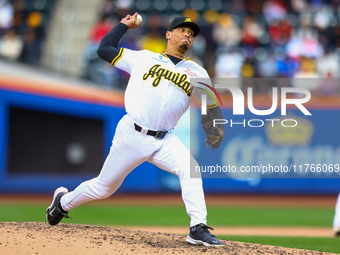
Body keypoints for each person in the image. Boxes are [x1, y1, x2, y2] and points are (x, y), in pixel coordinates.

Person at [46, 13, 225, 247]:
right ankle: (62, 203)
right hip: (133, 134)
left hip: (165, 139)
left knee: (191, 169)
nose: (187, 36)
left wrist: (215, 125)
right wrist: (123, 26)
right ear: (168, 34)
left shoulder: (197, 72)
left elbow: (211, 104)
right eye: (182, 30)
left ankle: (197, 228)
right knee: (104, 187)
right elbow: (104, 49)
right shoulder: (143, 58)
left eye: (191, 34)